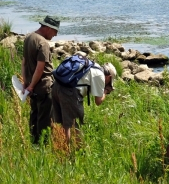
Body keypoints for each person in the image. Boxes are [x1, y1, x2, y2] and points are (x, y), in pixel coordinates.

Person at [51, 56, 117, 142]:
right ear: (109, 77)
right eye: (109, 82)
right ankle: (72, 151)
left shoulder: (93, 66)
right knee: (72, 124)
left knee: (58, 121)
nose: (107, 84)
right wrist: (105, 91)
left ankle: (57, 146)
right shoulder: (100, 75)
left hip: (56, 86)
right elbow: (98, 101)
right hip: (69, 92)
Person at [22, 15, 60, 143]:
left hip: (32, 87)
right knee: (44, 121)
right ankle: (42, 148)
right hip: (43, 87)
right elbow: (40, 68)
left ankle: (34, 144)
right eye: (55, 31)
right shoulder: (43, 43)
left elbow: (24, 63)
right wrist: (32, 86)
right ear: (48, 28)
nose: (55, 35)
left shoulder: (29, 38)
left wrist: (26, 83)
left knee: (34, 117)